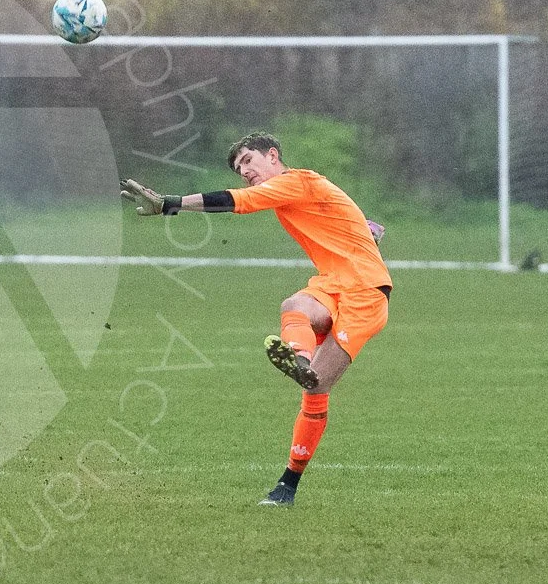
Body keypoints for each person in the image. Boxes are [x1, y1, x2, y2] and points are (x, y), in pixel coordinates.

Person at [120, 131, 391, 508]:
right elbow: (340, 213)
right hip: (332, 285)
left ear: (273, 156)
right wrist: (367, 229)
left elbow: (239, 203)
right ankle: (298, 360)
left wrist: (169, 204)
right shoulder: (301, 189)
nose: (243, 171)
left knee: (315, 392)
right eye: (238, 168)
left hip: (365, 293)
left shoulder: (295, 182)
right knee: (294, 304)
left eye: (248, 161)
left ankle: (287, 485)